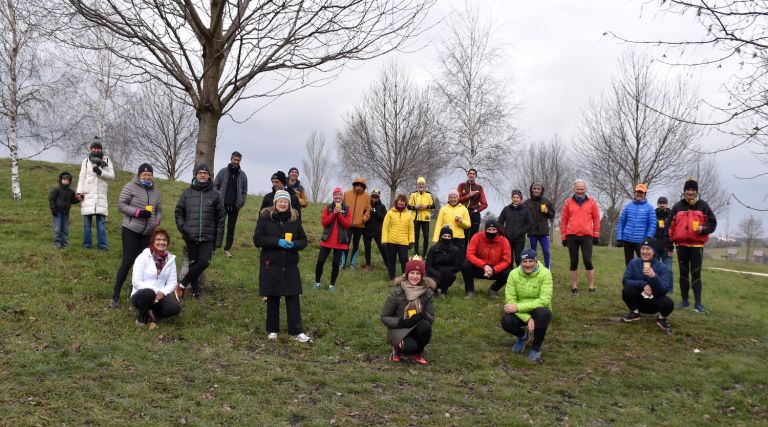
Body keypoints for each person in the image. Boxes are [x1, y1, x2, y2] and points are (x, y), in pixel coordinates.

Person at [253, 190, 311, 342]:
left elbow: (304, 240)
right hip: (270, 264)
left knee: (293, 297)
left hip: (290, 264)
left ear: (289, 204)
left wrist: (294, 244)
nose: (283, 204)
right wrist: (276, 241)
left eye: (286, 202)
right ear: (275, 203)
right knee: (273, 297)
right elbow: (257, 239)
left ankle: (296, 331)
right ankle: (273, 330)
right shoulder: (265, 217)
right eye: (280, 201)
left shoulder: (294, 219)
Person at [111, 163, 162, 308]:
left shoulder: (156, 192)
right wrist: (138, 212)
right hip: (131, 229)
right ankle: (115, 295)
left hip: (147, 233)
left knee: (143, 265)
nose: (147, 176)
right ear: (139, 175)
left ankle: (134, 293)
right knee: (128, 261)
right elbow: (121, 205)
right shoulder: (130, 187)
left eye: (149, 174)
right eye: (144, 174)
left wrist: (156, 221)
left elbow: (159, 210)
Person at [174, 164, 225, 300]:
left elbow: (221, 218)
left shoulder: (216, 194)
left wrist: (218, 240)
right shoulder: (187, 193)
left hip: (208, 236)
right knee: (193, 264)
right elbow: (178, 212)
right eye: (200, 172)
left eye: (205, 173)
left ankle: (182, 284)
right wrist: (183, 228)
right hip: (190, 235)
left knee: (204, 262)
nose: (202, 175)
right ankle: (196, 293)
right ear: (195, 175)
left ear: (209, 176)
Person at [668, 178, 717, 313]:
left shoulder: (703, 206)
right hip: (681, 245)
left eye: (693, 190)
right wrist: (669, 243)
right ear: (684, 191)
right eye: (688, 190)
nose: (690, 192)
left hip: (697, 245)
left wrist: (704, 228)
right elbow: (670, 226)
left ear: (696, 191)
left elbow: (713, 223)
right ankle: (684, 301)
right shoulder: (677, 207)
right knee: (683, 273)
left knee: (696, 274)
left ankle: (698, 304)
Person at [501, 249, 553, 362]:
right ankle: (523, 337)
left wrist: (518, 307)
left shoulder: (545, 273)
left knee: (542, 314)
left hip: (538, 309)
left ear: (536, 261)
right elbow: (510, 301)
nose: (528, 264)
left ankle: (536, 347)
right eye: (524, 261)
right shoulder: (513, 274)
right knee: (506, 320)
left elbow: (544, 301)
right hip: (521, 313)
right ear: (520, 262)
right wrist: (528, 318)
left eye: (530, 261)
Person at [380, 259, 436, 365]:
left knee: (426, 326)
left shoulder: (427, 293)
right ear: (407, 274)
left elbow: (431, 317)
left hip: (416, 327)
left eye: (418, 273)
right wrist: (402, 322)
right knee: (410, 348)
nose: (414, 276)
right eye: (412, 273)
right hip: (399, 328)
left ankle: (418, 354)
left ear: (422, 276)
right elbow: (385, 317)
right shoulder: (397, 292)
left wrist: (423, 316)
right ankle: (397, 349)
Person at [620, 236, 674, 333]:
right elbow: (625, 281)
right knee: (627, 290)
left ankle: (661, 318)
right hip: (638, 300)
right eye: (642, 248)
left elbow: (664, 289)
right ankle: (635, 313)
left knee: (668, 303)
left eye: (648, 249)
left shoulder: (662, 267)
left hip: (654, 302)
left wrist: (654, 276)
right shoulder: (633, 263)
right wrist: (644, 284)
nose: (644, 252)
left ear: (654, 252)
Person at [130, 228, 182, 327]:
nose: (161, 242)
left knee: (175, 308)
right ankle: (142, 319)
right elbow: (136, 282)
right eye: (158, 239)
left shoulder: (170, 259)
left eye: (164, 240)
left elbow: (172, 283)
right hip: (142, 294)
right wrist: (155, 291)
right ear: (153, 241)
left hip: (160, 296)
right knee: (148, 293)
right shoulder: (143, 257)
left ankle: (152, 314)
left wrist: (162, 292)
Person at [560, 179, 600, 296]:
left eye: (582, 189)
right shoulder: (568, 202)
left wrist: (596, 234)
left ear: (585, 189)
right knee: (574, 261)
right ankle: (574, 287)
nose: (580, 191)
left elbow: (596, 218)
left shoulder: (592, 202)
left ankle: (591, 286)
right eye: (578, 189)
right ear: (574, 189)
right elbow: (564, 220)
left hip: (587, 236)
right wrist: (563, 236)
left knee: (587, 261)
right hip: (571, 236)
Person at [76, 138, 115, 250]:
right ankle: (87, 245)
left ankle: (102, 246)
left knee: (101, 223)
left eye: (98, 148)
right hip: (87, 194)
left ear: (101, 149)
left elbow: (112, 176)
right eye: (94, 148)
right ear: (91, 149)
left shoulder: (107, 161)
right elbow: (82, 177)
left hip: (100, 195)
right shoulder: (86, 161)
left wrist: (100, 172)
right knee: (87, 223)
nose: (96, 150)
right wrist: (79, 192)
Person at [461, 219, 512, 298]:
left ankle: (493, 290)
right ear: (485, 229)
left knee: (509, 272)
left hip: (495, 270)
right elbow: (469, 254)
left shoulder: (504, 241)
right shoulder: (477, 237)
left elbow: (507, 260)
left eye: (494, 229)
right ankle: (470, 291)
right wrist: (484, 265)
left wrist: (494, 269)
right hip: (480, 267)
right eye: (489, 229)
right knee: (465, 265)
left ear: (497, 230)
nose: (491, 232)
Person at [313, 187, 353, 291]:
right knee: (320, 261)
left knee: (335, 264)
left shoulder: (347, 209)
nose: (338, 196)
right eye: (336, 194)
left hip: (340, 242)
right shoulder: (328, 208)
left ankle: (332, 285)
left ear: (342, 196)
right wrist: (334, 213)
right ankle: (317, 283)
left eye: (339, 194)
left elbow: (347, 225)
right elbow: (324, 223)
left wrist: (339, 214)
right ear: (333, 196)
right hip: (327, 241)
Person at [214, 151, 248, 258]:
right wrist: (218, 198)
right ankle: (214, 248)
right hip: (222, 205)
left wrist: (242, 202)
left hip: (235, 206)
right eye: (235, 159)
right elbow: (215, 186)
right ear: (231, 159)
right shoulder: (223, 172)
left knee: (231, 228)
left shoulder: (242, 175)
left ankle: (227, 249)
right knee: (219, 226)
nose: (236, 162)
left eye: (238, 160)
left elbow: (244, 191)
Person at [616, 183, 657, 266]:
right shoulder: (628, 207)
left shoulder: (650, 208)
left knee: (644, 263)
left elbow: (652, 225)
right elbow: (621, 222)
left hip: (641, 241)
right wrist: (619, 238)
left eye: (641, 193)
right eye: (638, 192)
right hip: (627, 240)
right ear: (634, 193)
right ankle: (629, 278)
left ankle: (644, 279)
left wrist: (648, 238)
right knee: (628, 263)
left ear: (645, 194)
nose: (639, 194)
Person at [523, 182, 556, 268]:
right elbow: (523, 217)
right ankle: (533, 269)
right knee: (532, 253)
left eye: (538, 189)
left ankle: (547, 270)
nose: (536, 190)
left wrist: (547, 212)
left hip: (544, 232)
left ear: (541, 190)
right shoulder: (526, 203)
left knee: (546, 251)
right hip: (532, 232)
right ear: (532, 190)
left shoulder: (546, 201)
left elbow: (552, 215)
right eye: (535, 189)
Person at [382, 194, 415, 280]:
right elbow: (385, 227)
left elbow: (411, 229)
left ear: (405, 203)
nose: (401, 203)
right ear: (397, 201)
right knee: (391, 260)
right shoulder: (390, 213)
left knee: (404, 260)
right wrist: (384, 240)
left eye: (403, 201)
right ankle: (392, 277)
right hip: (391, 241)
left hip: (403, 242)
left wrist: (411, 241)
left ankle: (405, 277)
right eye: (400, 201)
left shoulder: (409, 215)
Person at [425, 225, 463, 297]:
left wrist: (445, 270)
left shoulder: (455, 250)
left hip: (448, 273)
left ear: (451, 237)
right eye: (445, 236)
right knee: (428, 278)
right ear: (440, 236)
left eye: (449, 236)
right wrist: (437, 273)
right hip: (434, 273)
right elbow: (428, 266)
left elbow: (457, 267)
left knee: (449, 275)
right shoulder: (433, 249)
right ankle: (434, 289)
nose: (447, 238)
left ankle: (444, 291)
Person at [342, 177, 372, 269]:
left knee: (356, 244)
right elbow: (342, 206)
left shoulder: (367, 196)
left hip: (359, 225)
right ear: (354, 185)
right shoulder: (346, 194)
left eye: (361, 186)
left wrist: (364, 218)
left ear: (363, 187)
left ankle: (352, 264)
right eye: (357, 185)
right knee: (345, 243)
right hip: (347, 224)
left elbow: (368, 209)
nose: (358, 187)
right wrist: (343, 217)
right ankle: (342, 264)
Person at [498, 189, 533, 267]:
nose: (515, 199)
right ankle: (509, 274)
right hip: (507, 238)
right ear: (512, 198)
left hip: (519, 239)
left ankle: (520, 273)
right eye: (514, 197)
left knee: (518, 258)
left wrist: (522, 232)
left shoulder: (525, 210)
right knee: (508, 258)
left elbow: (529, 223)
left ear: (520, 199)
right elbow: (500, 222)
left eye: (517, 197)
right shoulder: (506, 209)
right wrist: (504, 232)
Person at [432, 189, 471, 254]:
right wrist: (435, 239)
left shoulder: (464, 209)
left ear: (458, 198)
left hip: (459, 238)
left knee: (459, 260)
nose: (453, 199)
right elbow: (439, 225)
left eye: (454, 197)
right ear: (448, 198)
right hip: (446, 238)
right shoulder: (443, 209)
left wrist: (461, 222)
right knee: (446, 259)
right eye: (450, 197)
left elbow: (468, 225)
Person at [48, 171, 79, 249]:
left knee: (65, 229)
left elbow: (73, 201)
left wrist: (78, 199)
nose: (66, 181)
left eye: (68, 179)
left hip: (66, 213)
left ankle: (65, 244)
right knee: (57, 229)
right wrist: (53, 209)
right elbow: (51, 199)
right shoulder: (56, 189)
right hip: (57, 213)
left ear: (70, 181)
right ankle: (57, 244)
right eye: (64, 179)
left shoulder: (71, 191)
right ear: (61, 179)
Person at [458, 168, 488, 246]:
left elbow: (485, 204)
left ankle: (471, 257)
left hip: (474, 214)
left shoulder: (479, 187)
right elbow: (457, 200)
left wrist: (476, 211)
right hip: (463, 214)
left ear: (476, 176)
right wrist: (468, 195)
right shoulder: (462, 185)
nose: (471, 175)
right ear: (467, 175)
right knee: (463, 237)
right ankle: (462, 257)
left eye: (473, 174)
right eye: (470, 173)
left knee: (473, 238)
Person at [408, 177, 435, 256]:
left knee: (426, 237)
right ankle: (416, 253)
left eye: (422, 184)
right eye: (419, 184)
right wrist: (415, 207)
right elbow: (409, 206)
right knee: (416, 237)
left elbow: (433, 206)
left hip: (425, 219)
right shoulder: (413, 194)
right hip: (416, 218)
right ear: (417, 185)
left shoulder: (429, 195)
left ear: (425, 185)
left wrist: (426, 206)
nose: (421, 185)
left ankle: (424, 254)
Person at [362, 188, 388, 271]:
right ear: (371, 196)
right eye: (373, 196)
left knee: (383, 248)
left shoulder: (382, 206)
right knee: (367, 249)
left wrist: (376, 212)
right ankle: (368, 265)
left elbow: (384, 218)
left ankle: (388, 265)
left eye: (376, 197)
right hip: (367, 230)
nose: (374, 198)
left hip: (378, 231)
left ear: (379, 197)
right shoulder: (366, 204)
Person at [654, 196, 674, 273]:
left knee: (668, 270)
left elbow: (674, 230)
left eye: (664, 203)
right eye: (660, 203)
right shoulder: (653, 214)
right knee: (655, 270)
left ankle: (668, 285)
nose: (662, 205)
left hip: (667, 247)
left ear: (667, 204)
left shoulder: (671, 215)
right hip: (655, 246)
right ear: (657, 204)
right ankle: (655, 285)